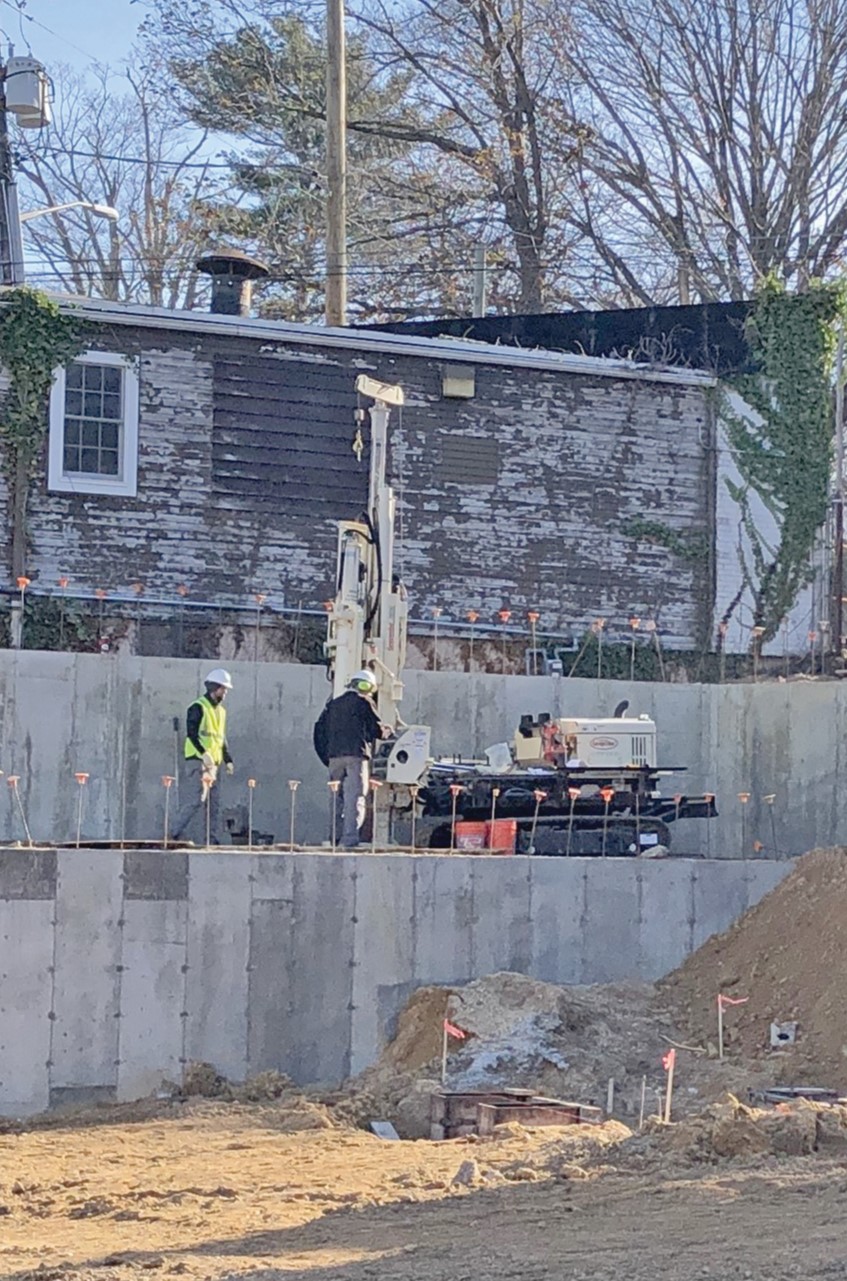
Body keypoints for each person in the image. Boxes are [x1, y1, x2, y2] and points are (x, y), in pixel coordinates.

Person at [313, 670, 390, 849]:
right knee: (355, 797)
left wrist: (327, 757)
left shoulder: (333, 704)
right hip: (356, 756)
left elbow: (319, 731)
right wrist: (388, 730)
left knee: (335, 797)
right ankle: (349, 839)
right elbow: (376, 730)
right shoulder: (365, 702)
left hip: (334, 758)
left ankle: (334, 838)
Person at [171, 669, 234, 845]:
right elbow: (192, 734)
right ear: (215, 688)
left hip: (214, 763)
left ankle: (210, 839)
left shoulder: (221, 712)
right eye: (223, 689)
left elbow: (220, 737)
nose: (225, 692)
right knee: (196, 800)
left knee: (213, 805)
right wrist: (203, 753)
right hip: (198, 761)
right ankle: (173, 833)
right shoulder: (197, 707)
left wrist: (227, 759)